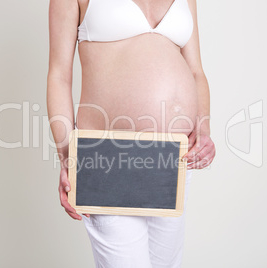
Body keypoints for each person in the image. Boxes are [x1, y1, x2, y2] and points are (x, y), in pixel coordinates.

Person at [47, 0, 216, 266]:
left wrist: (203, 128)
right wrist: (68, 156)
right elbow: (59, 75)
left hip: (173, 158)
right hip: (106, 156)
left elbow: (196, 71)